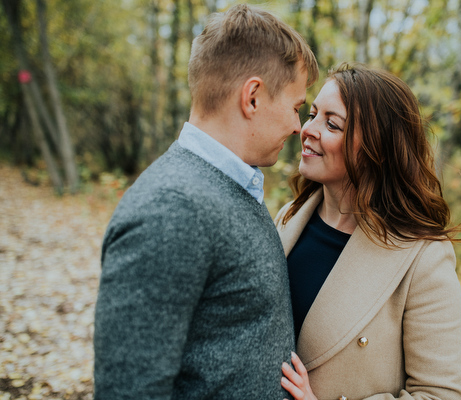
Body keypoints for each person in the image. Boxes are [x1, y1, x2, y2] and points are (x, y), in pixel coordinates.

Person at [93, 4, 318, 399]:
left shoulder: (229, 187)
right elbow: (130, 390)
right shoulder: (171, 210)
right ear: (252, 97)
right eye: (296, 107)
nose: (297, 126)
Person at [275, 64, 461, 400]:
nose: (308, 129)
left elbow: (441, 395)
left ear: (376, 149)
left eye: (332, 124)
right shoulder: (287, 219)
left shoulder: (423, 258)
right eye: (312, 114)